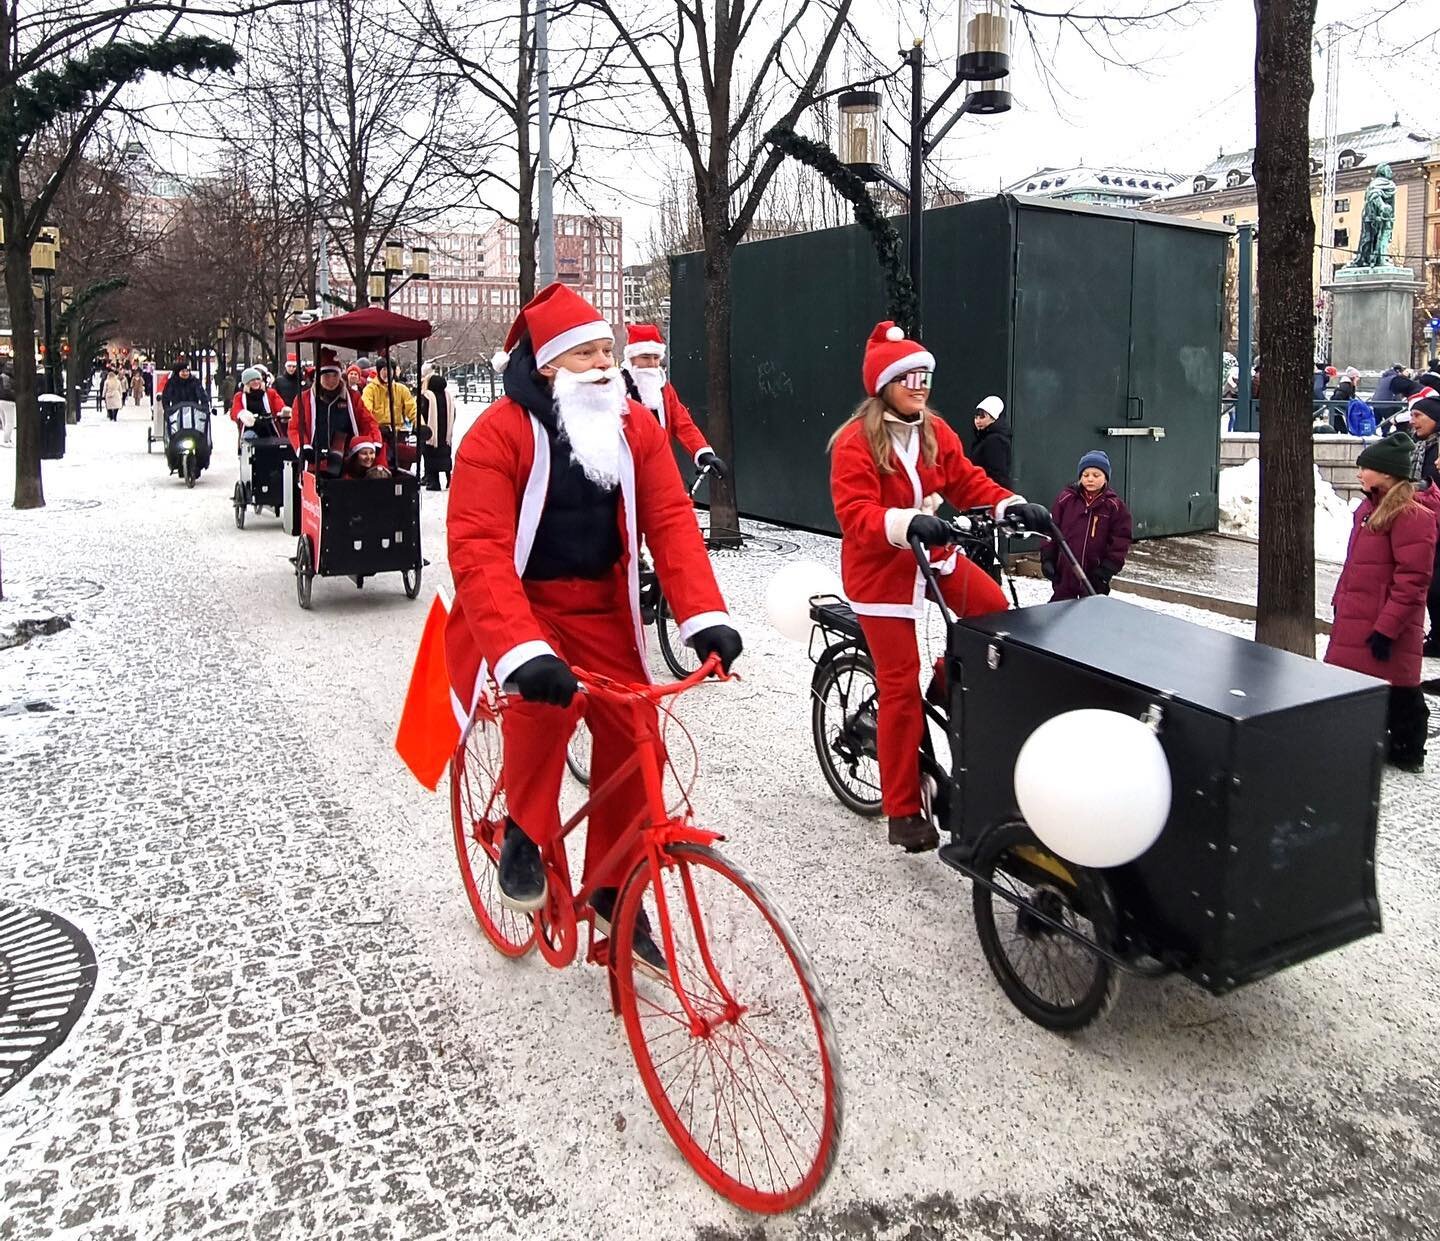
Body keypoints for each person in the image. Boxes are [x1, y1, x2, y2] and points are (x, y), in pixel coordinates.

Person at [446, 283, 741, 947]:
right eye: (586, 354)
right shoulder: (496, 436)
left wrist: (703, 617)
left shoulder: (633, 424)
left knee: (639, 734)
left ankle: (614, 885)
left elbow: (669, 519)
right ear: (548, 365)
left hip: (604, 605)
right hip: (527, 605)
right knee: (541, 711)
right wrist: (521, 650)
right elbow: (479, 551)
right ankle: (522, 828)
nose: (606, 365)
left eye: (608, 350)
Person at [829, 321, 1050, 852]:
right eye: (909, 377)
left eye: (925, 376)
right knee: (899, 687)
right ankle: (903, 809)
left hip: (934, 557)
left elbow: (966, 479)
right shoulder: (855, 443)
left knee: (996, 615)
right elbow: (855, 513)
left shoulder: (934, 431)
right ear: (884, 382)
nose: (920, 385)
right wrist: (903, 524)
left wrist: (1008, 504)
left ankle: (945, 683)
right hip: (880, 573)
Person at [1324, 432, 1437, 772]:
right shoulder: (1367, 508)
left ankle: (1407, 750)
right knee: (1358, 681)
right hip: (1358, 614)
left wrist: (1387, 628)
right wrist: (1340, 599)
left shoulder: (1414, 516)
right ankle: (1371, 741)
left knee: (1400, 688)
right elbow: (1356, 564)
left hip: (1385, 621)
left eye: (1366, 468)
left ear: (1387, 474)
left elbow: (1413, 582)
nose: (1359, 474)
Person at [619, 323, 727, 478]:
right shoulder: (617, 388)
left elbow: (682, 423)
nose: (652, 363)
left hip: (661, 467)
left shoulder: (664, 388)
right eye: (645, 357)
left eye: (656, 358)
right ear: (630, 358)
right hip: (627, 471)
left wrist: (702, 452)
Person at [1040, 451, 1133, 600]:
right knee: (1060, 608)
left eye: (1096, 475)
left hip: (1095, 572)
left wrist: (1108, 568)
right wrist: (1048, 558)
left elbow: (1121, 539)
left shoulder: (1114, 506)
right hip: (1066, 570)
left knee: (1092, 611)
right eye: (1086, 475)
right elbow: (1051, 529)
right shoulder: (1066, 499)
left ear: (1106, 478)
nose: (1090, 479)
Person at [288, 349, 388, 473]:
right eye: (326, 376)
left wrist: (375, 441)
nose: (331, 380)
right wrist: (304, 447)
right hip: (315, 461)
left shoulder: (352, 397)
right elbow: (296, 428)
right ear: (318, 377)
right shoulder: (304, 399)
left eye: (335, 375)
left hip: (347, 461)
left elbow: (368, 421)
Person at [1407, 398, 1440, 656]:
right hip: (1427, 525)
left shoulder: (1437, 447)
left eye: (1418, 415)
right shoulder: (1420, 447)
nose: (1413, 420)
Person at [416, 369, 456, 491]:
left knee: (431, 457)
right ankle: (449, 478)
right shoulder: (448, 397)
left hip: (431, 435)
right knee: (445, 456)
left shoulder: (426, 397)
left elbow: (420, 413)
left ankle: (434, 482)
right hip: (445, 435)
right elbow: (454, 414)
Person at [229, 367, 289, 437]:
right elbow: (235, 411)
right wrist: (243, 414)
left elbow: (279, 405)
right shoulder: (240, 396)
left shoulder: (270, 393)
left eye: (258, 379)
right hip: (250, 428)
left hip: (269, 428)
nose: (256, 382)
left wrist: (284, 412)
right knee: (249, 437)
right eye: (252, 380)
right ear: (247, 382)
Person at [969, 395, 1012, 488]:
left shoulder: (995, 441)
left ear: (993, 418)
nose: (978, 421)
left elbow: (997, 474)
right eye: (976, 417)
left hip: (990, 493)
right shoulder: (983, 439)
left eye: (982, 417)